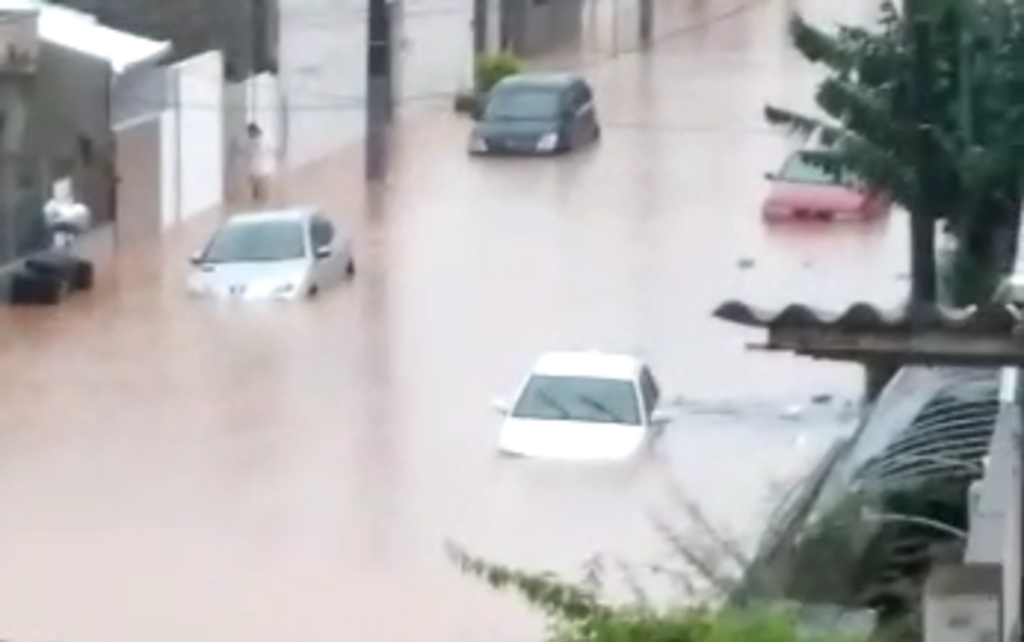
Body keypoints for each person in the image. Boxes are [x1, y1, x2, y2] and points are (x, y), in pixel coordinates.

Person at [241, 122, 275, 204]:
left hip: (260, 171)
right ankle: (260, 207)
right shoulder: (250, 141)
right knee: (259, 194)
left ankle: (261, 206)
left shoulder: (263, 140)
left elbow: (245, 154)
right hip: (259, 171)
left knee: (260, 193)